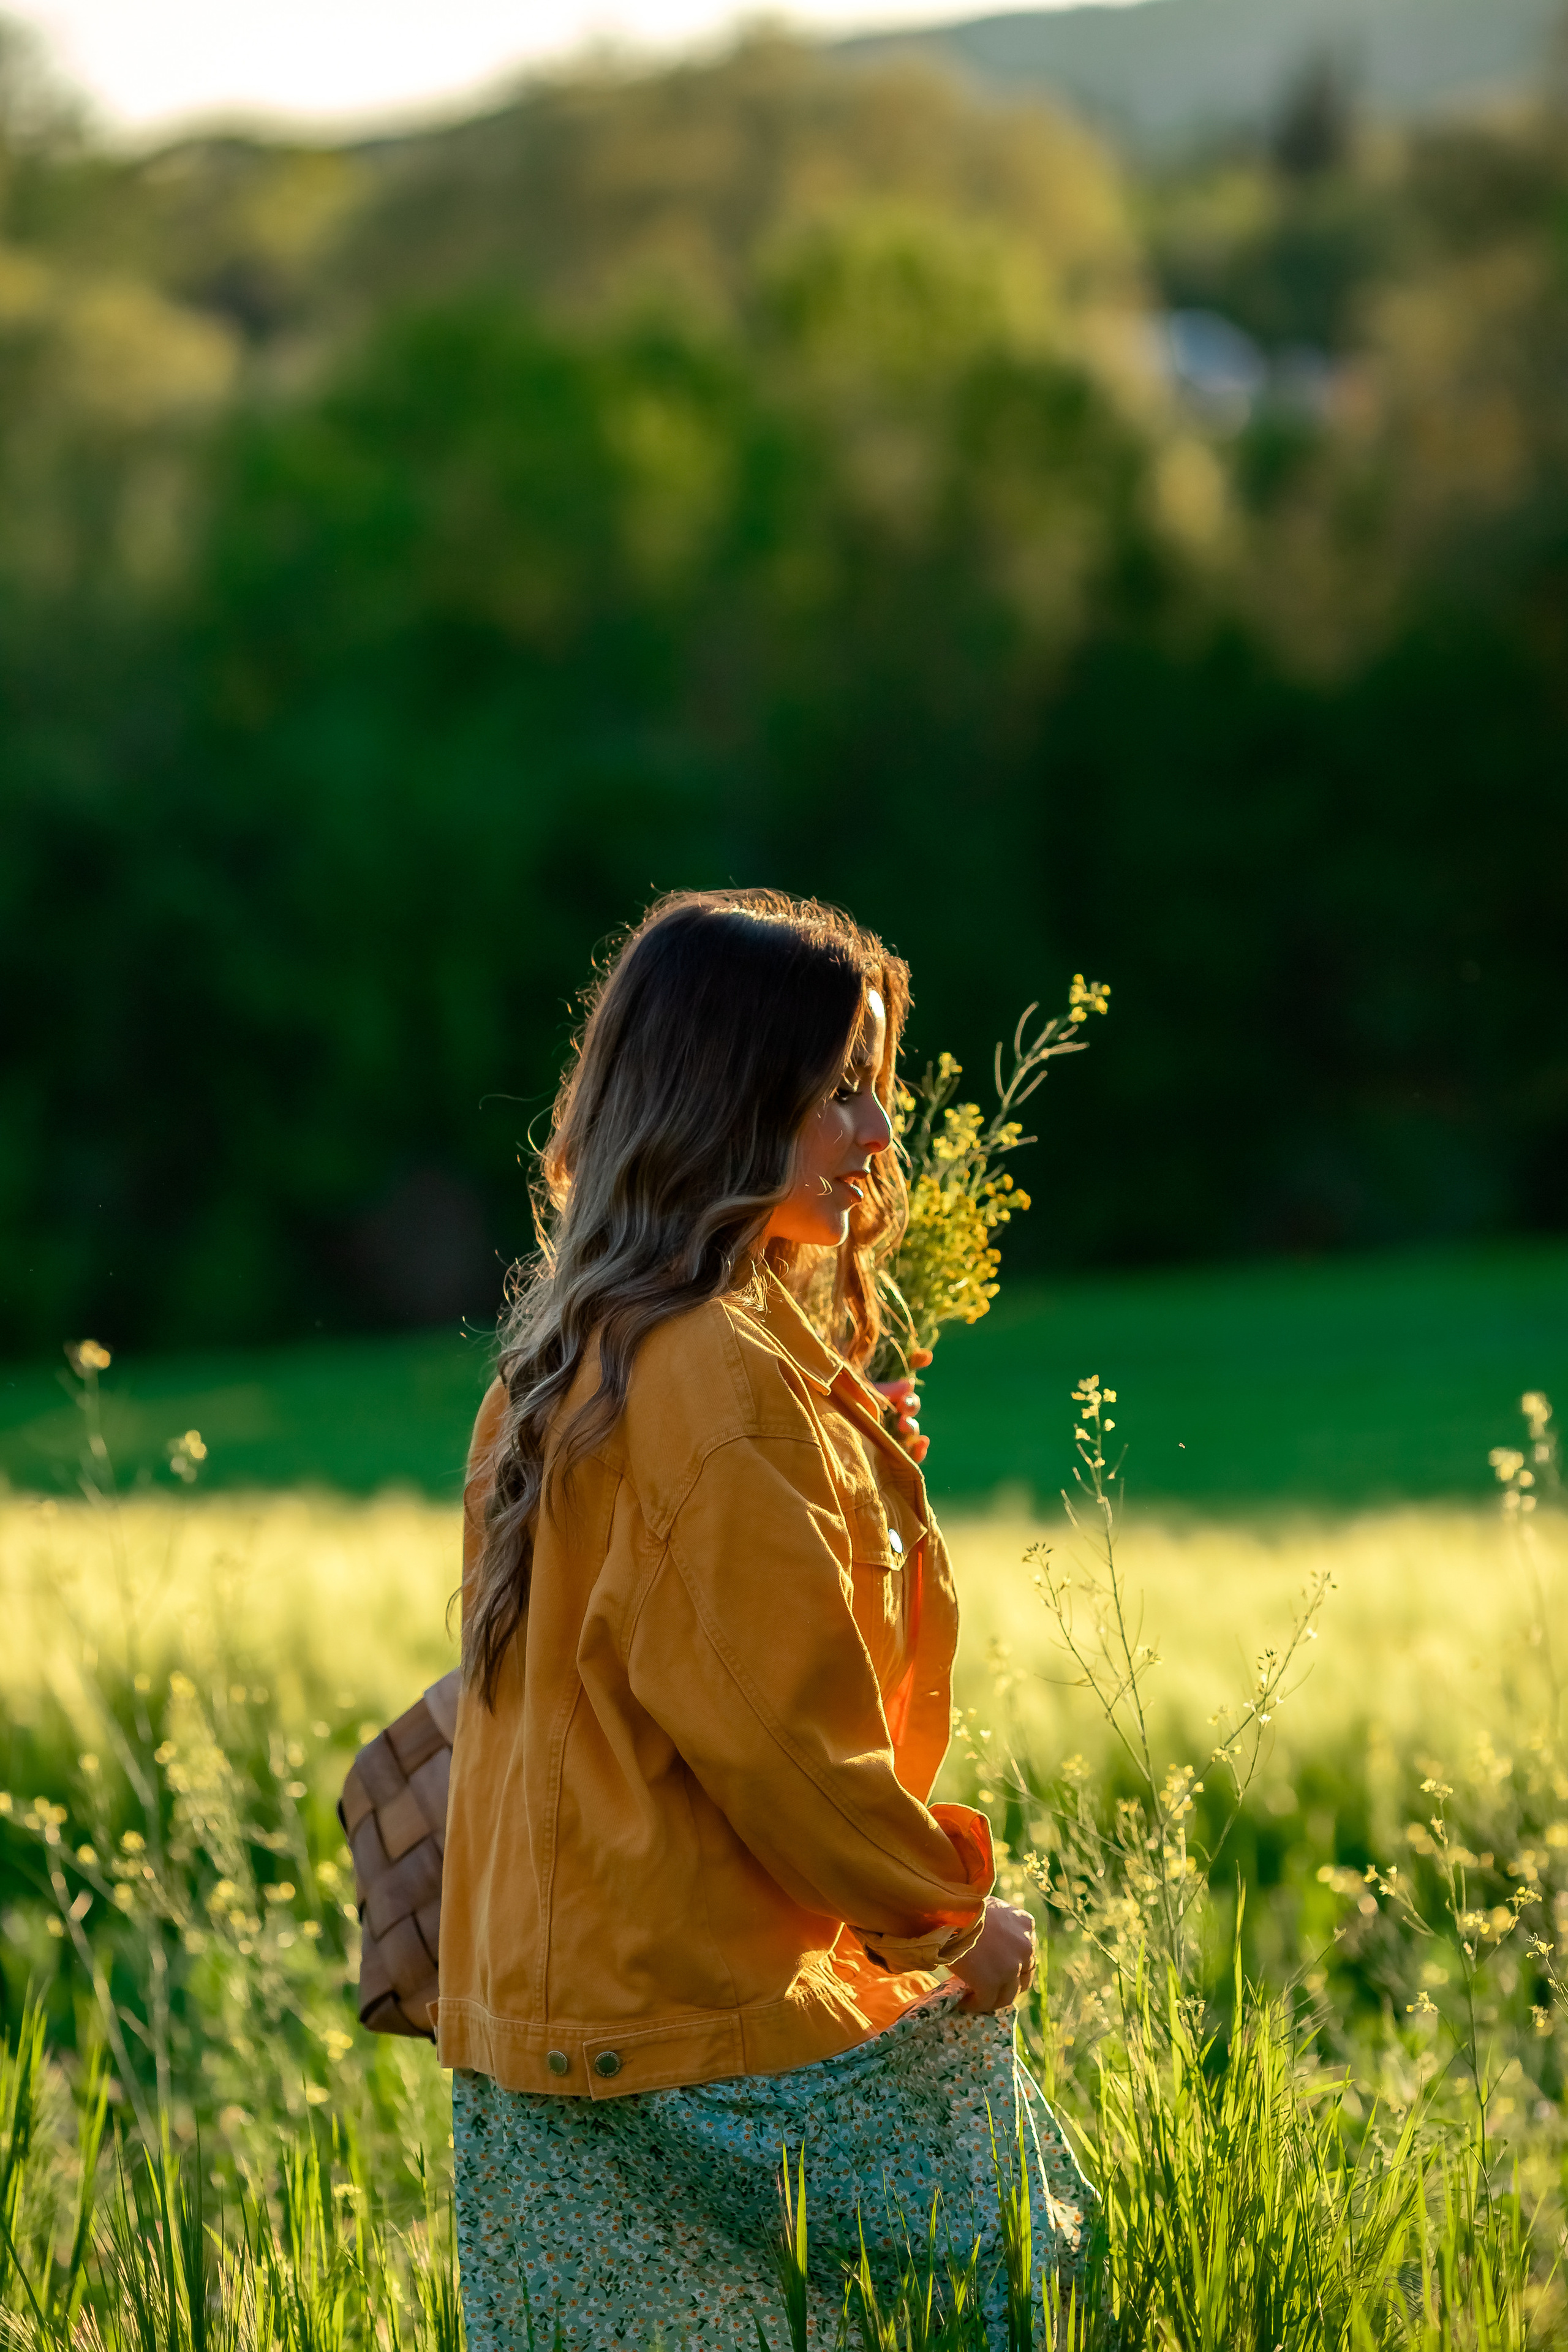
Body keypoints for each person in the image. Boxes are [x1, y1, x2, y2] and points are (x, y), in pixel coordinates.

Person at [439, 889, 1089, 2350]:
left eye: (877, 1088)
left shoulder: (571, 1346)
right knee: (1028, 2259)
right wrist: (942, 1915)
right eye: (836, 1090)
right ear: (727, 1103)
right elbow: (777, 1737)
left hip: (538, 2034)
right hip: (677, 2029)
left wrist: (852, 1459)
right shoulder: (712, 1377)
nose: (876, 1134)